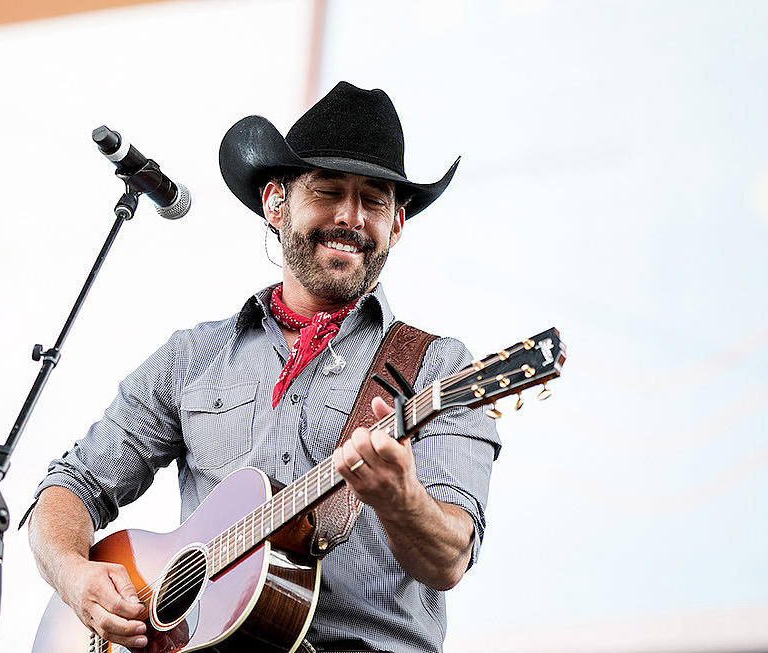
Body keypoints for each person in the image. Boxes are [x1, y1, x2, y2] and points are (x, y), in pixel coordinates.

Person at [28, 81, 500, 653]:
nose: (350, 217)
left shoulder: (438, 369)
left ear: (396, 225)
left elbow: (450, 557)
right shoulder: (191, 358)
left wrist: (400, 497)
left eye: (374, 200)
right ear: (276, 201)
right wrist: (74, 577)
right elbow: (73, 485)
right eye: (328, 191)